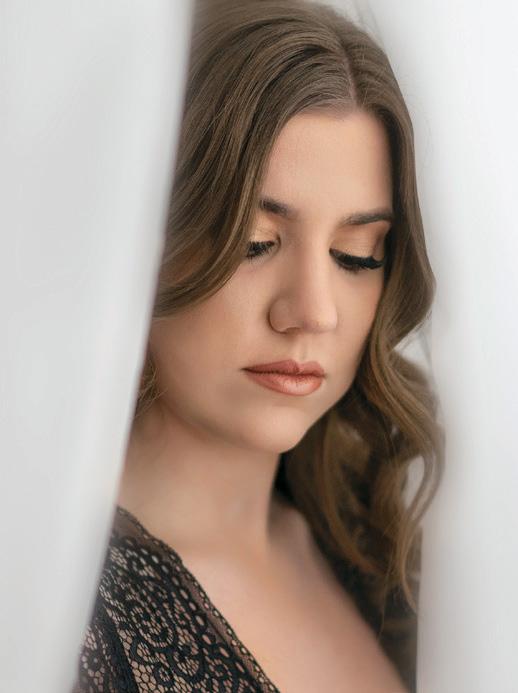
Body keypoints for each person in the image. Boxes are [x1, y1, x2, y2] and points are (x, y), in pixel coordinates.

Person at [72, 1, 444, 691]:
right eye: (255, 242)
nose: (312, 312)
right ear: (143, 237)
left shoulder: (383, 554)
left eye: (357, 254)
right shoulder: (55, 606)